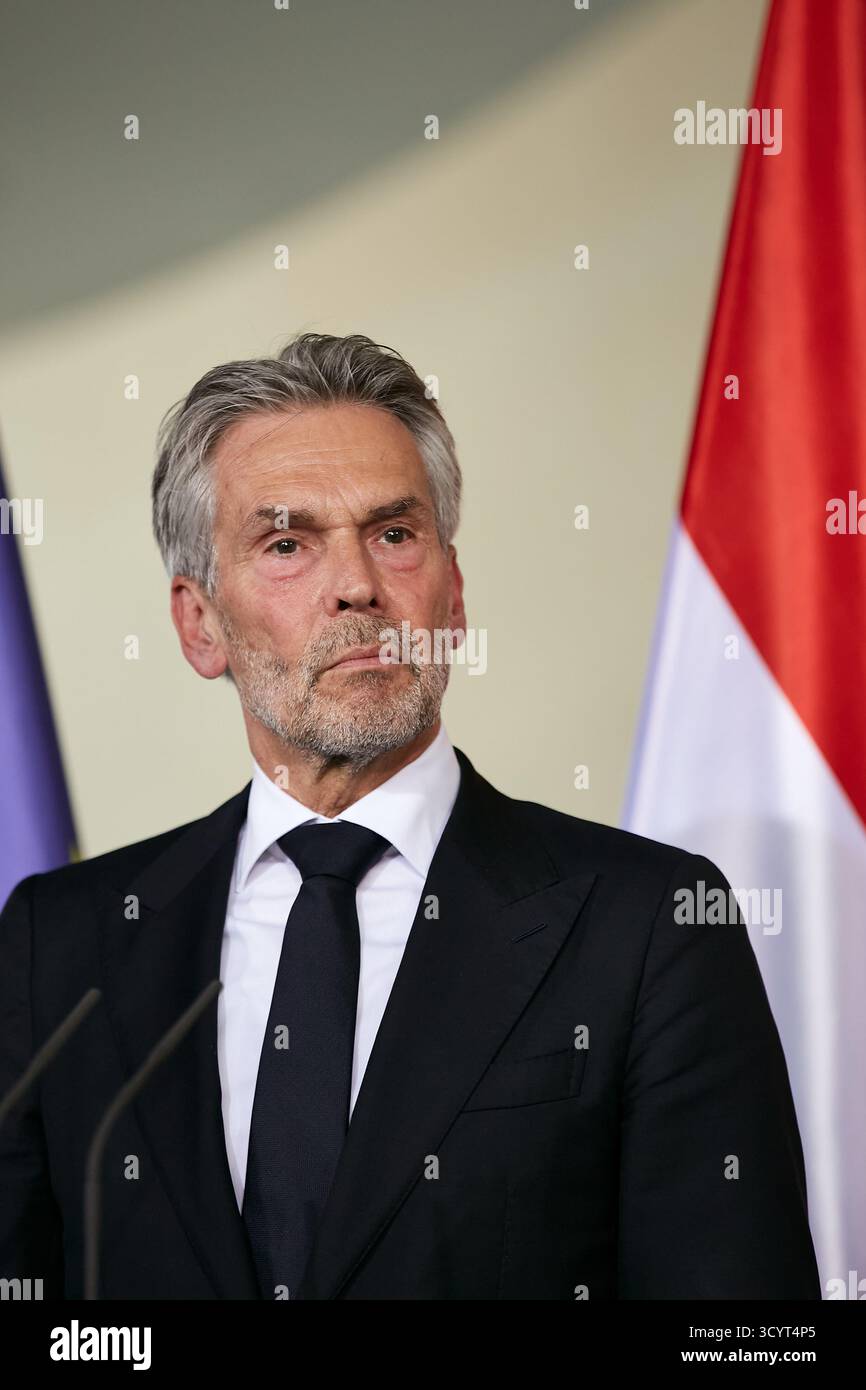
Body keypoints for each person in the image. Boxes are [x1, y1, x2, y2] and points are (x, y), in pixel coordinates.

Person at [0, 333, 820, 1299]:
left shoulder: (651, 923)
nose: (358, 586)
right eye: (287, 544)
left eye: (394, 533)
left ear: (454, 592)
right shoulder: (62, 941)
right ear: (200, 624)